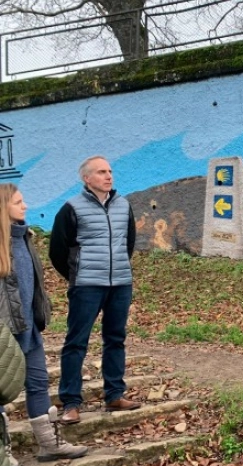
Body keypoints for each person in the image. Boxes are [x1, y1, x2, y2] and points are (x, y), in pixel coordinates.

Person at [0, 184, 88, 466]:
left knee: (38, 384)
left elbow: (32, 287)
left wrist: (39, 317)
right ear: (4, 207)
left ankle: (49, 444)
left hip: (29, 329)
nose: (25, 206)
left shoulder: (25, 238)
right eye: (19, 202)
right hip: (4, 335)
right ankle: (2, 454)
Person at [49, 156, 141, 426]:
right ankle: (71, 402)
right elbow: (57, 250)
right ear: (87, 179)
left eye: (110, 171)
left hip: (120, 284)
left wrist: (119, 269)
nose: (109, 176)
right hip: (87, 286)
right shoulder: (71, 208)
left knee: (115, 339)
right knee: (76, 342)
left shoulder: (124, 205)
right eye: (102, 172)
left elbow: (129, 242)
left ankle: (114, 395)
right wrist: (77, 275)